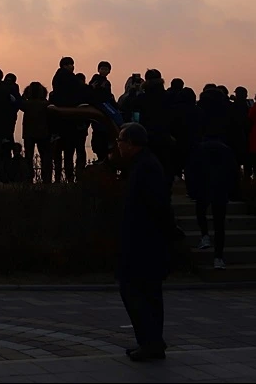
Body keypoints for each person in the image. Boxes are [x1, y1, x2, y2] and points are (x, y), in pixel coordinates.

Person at [116, 122, 173, 362]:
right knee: (147, 294)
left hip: (144, 244)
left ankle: (150, 342)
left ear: (130, 143)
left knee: (137, 292)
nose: (118, 145)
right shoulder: (144, 164)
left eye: (120, 140)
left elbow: (154, 207)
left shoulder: (146, 167)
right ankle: (151, 341)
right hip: (146, 242)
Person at [186, 135, 238, 270]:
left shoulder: (200, 149)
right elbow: (233, 171)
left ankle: (204, 235)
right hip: (220, 189)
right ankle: (218, 257)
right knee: (219, 224)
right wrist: (232, 191)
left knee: (201, 211)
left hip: (203, 187)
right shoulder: (226, 151)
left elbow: (191, 169)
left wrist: (191, 190)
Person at [21, 82, 52, 184]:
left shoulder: (26, 104)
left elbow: (19, 102)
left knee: (28, 157)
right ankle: (46, 178)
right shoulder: (46, 104)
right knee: (45, 157)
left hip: (28, 134)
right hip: (43, 133)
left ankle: (28, 178)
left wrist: (24, 95)